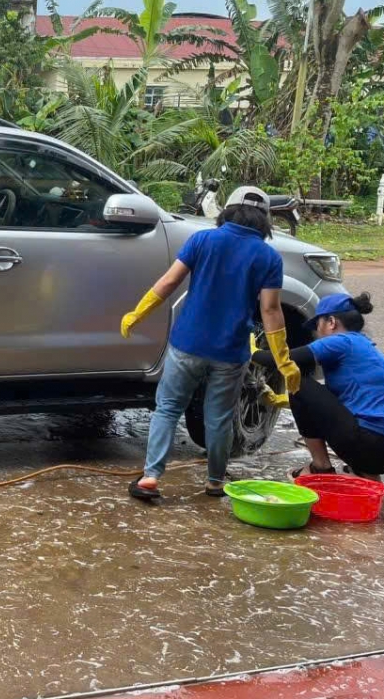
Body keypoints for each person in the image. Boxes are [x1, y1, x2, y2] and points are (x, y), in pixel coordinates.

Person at [120, 186, 301, 501]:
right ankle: (215, 482)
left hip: (187, 344)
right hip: (230, 352)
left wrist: (138, 313)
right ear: (266, 220)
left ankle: (151, 478)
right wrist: (283, 359)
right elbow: (270, 310)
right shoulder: (269, 256)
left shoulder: (203, 239)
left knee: (168, 408)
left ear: (227, 210)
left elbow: (169, 281)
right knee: (218, 417)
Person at [252, 292, 384, 481]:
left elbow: (281, 360)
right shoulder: (364, 347)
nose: (317, 333)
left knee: (298, 380)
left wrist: (249, 350)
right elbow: (331, 405)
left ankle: (320, 466)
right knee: (310, 391)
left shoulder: (342, 341)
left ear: (331, 322)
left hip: (373, 445)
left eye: (317, 325)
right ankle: (366, 472)